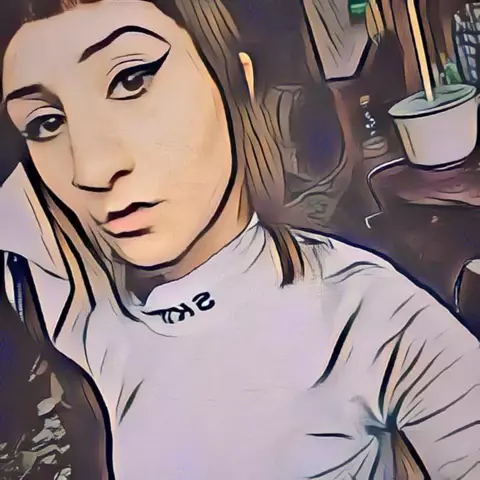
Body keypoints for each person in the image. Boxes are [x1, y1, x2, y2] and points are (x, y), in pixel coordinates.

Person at [0, 0, 479, 478]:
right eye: (46, 123)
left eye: (131, 80)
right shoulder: (92, 320)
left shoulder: (366, 315)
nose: (91, 170)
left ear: (235, 78)